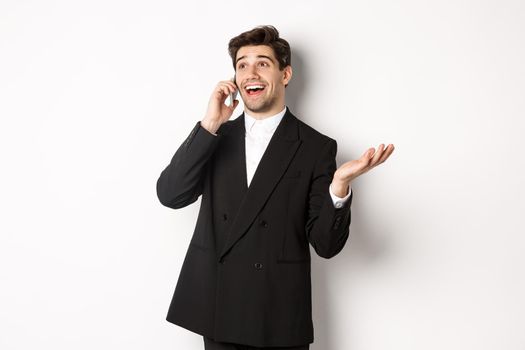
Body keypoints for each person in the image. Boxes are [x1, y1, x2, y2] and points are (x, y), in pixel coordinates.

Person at [156, 25, 394, 350]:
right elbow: (170, 194)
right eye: (242, 64)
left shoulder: (315, 147)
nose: (250, 72)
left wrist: (339, 186)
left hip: (279, 316)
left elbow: (326, 244)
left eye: (263, 63)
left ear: (285, 74)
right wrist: (210, 124)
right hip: (220, 310)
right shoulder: (215, 137)